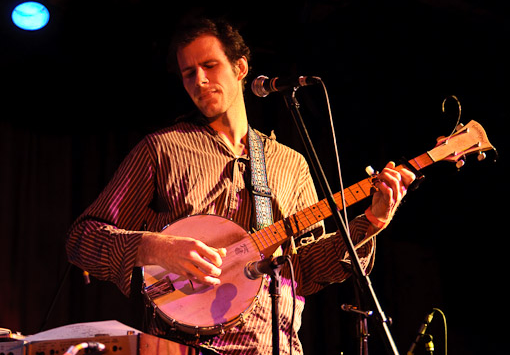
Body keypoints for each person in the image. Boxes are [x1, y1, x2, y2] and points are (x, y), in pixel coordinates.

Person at [66, 18, 415, 355]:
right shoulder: (162, 149)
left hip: (274, 346)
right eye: (189, 73)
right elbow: (82, 239)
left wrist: (371, 221)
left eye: (210, 65)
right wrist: (156, 248)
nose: (199, 80)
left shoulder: (290, 163)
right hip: (182, 346)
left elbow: (306, 271)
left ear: (241, 67)